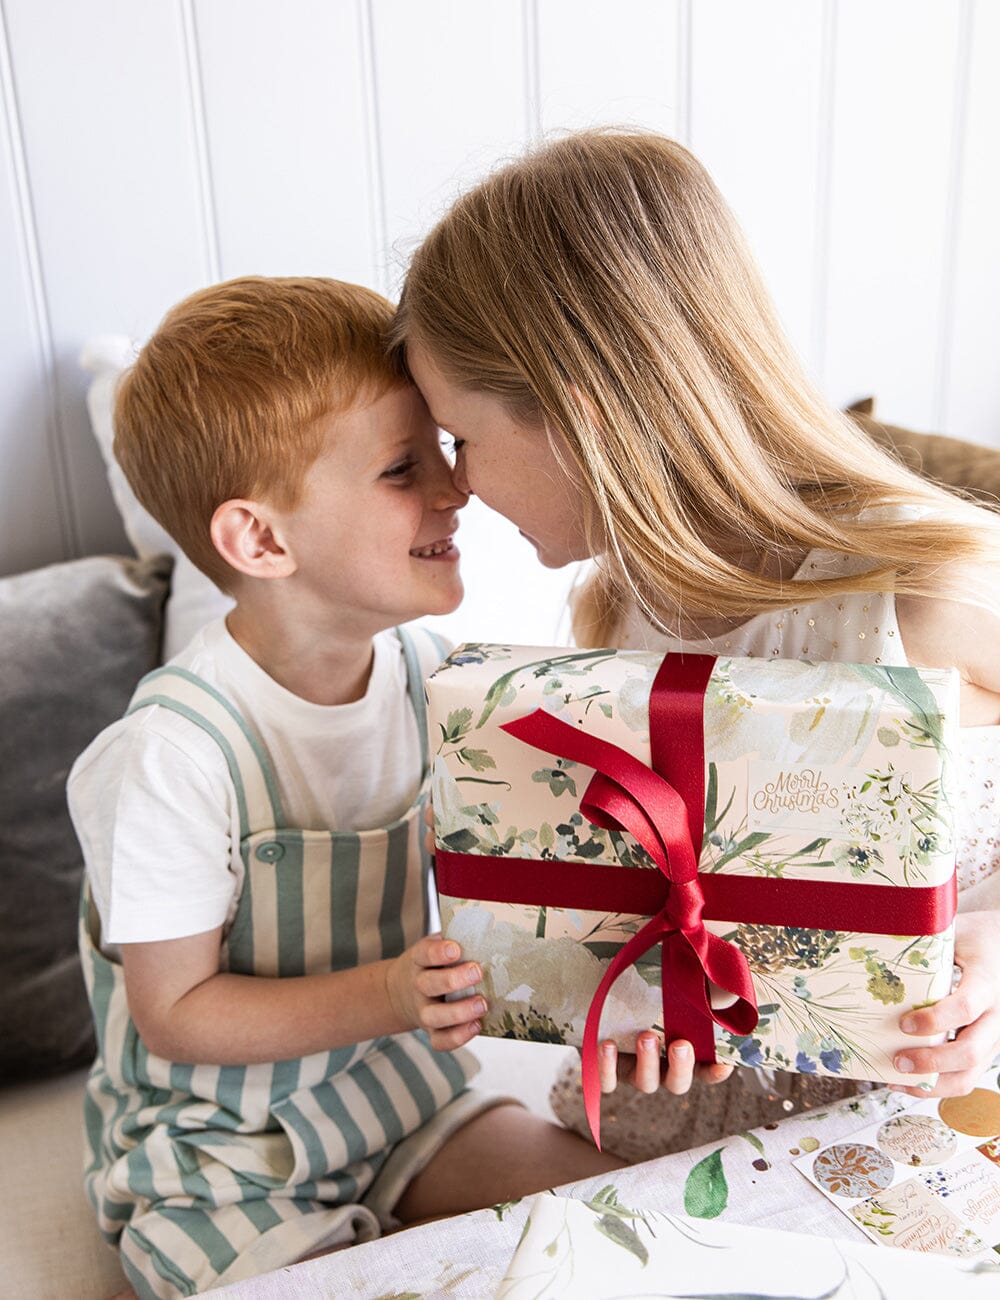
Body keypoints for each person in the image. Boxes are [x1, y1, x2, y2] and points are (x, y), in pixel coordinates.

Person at [389, 129, 1000, 1160]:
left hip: (927, 1123)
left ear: (579, 421)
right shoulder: (616, 611)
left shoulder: (927, 592)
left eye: (459, 439)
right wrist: (635, 1007)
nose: (454, 486)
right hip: (694, 1145)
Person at [68, 277, 622, 1300]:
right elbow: (177, 1013)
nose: (456, 492)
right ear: (261, 541)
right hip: (225, 1156)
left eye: (443, 452)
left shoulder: (436, 675)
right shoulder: (171, 754)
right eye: (403, 467)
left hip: (397, 1097)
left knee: (611, 1224)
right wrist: (385, 993)